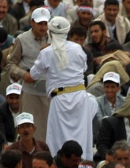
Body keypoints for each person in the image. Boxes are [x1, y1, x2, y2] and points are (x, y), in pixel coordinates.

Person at [27, 17, 98, 159]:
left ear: (50, 33)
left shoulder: (47, 52)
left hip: (60, 98)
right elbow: (83, 67)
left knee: (57, 138)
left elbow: (34, 74)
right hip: (79, 97)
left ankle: (59, 165)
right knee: (81, 135)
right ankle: (83, 164)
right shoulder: (77, 48)